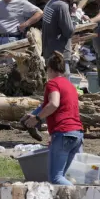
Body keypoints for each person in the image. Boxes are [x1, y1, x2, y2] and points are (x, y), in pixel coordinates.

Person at [23, 52, 83, 185]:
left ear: (50, 69)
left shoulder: (53, 84)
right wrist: (34, 114)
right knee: (62, 176)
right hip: (77, 134)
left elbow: (54, 104)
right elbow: (51, 105)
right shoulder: (70, 86)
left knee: (56, 178)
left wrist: (37, 119)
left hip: (63, 134)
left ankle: (83, 196)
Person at [42, 0, 78, 76]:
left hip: (49, 51)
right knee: (62, 84)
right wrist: (74, 15)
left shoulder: (51, 2)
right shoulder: (62, 6)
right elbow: (69, 32)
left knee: (52, 82)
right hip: (60, 54)